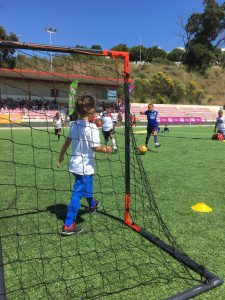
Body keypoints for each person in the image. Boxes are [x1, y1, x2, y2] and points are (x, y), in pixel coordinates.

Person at [57, 95, 112, 235]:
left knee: (88, 185)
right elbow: (95, 148)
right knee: (77, 194)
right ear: (92, 109)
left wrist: (61, 156)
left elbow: (67, 142)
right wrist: (108, 149)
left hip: (76, 165)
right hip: (84, 167)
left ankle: (92, 205)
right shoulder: (92, 127)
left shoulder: (74, 125)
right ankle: (68, 225)